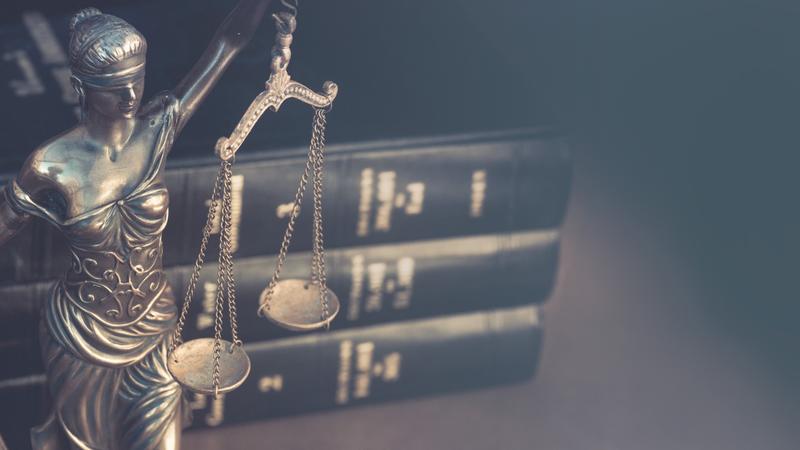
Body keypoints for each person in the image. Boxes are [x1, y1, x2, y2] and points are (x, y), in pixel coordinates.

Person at [0, 1, 273, 448]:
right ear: (81, 87)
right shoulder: (50, 165)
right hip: (82, 334)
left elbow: (227, 44)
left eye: (137, 80)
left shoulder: (156, 130)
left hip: (154, 326)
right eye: (115, 87)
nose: (131, 96)